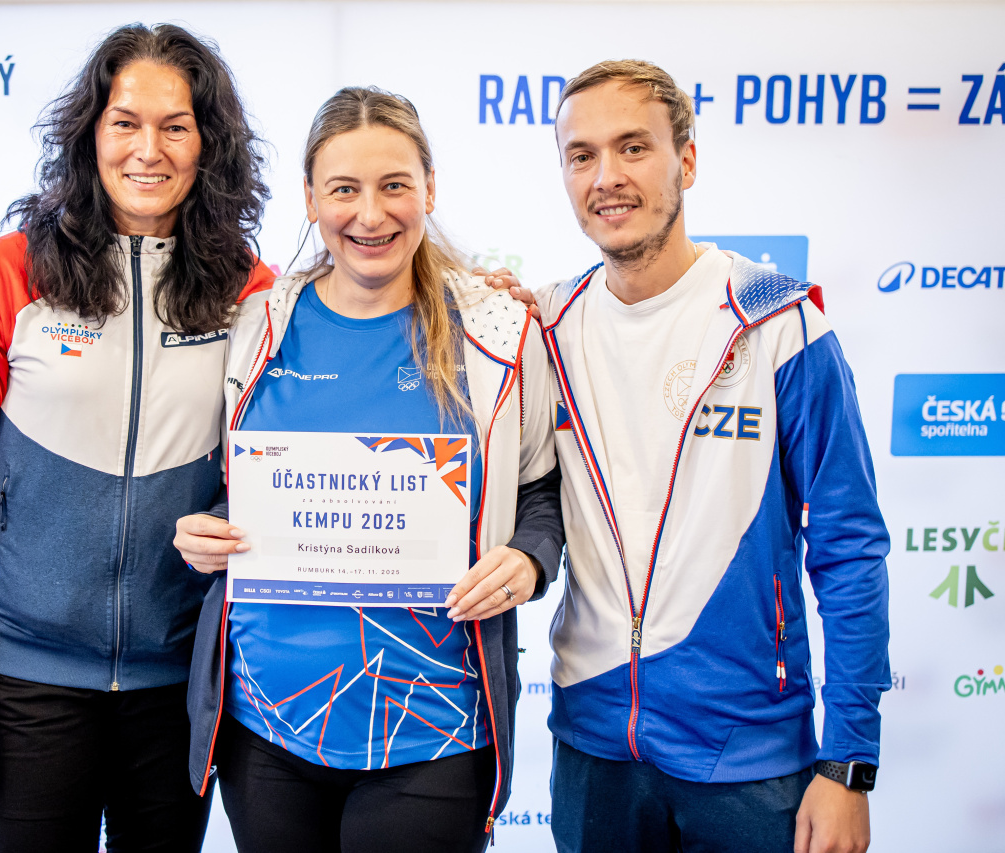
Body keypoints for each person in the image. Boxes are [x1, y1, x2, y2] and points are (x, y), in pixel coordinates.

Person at [494, 60, 890, 853]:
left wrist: (848, 762)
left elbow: (849, 548)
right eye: (581, 155)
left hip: (751, 754)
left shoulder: (777, 324)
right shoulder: (543, 329)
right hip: (594, 743)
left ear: (687, 161)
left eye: (633, 147)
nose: (607, 177)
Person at [171, 86, 564, 853]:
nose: (370, 214)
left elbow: (541, 490)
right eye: (344, 189)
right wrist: (206, 533)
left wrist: (528, 557)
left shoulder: (496, 329)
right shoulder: (259, 322)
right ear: (311, 198)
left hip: (433, 724)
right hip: (267, 721)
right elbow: (236, 488)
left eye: (394, 186)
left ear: (430, 189)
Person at [0, 24, 273, 853]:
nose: (149, 150)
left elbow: (279, 462)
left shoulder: (252, 291)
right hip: (29, 676)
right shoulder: (4, 275)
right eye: (125, 123)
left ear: (209, 145)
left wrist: (471, 293)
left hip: (179, 682)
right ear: (90, 134)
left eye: (176, 126)